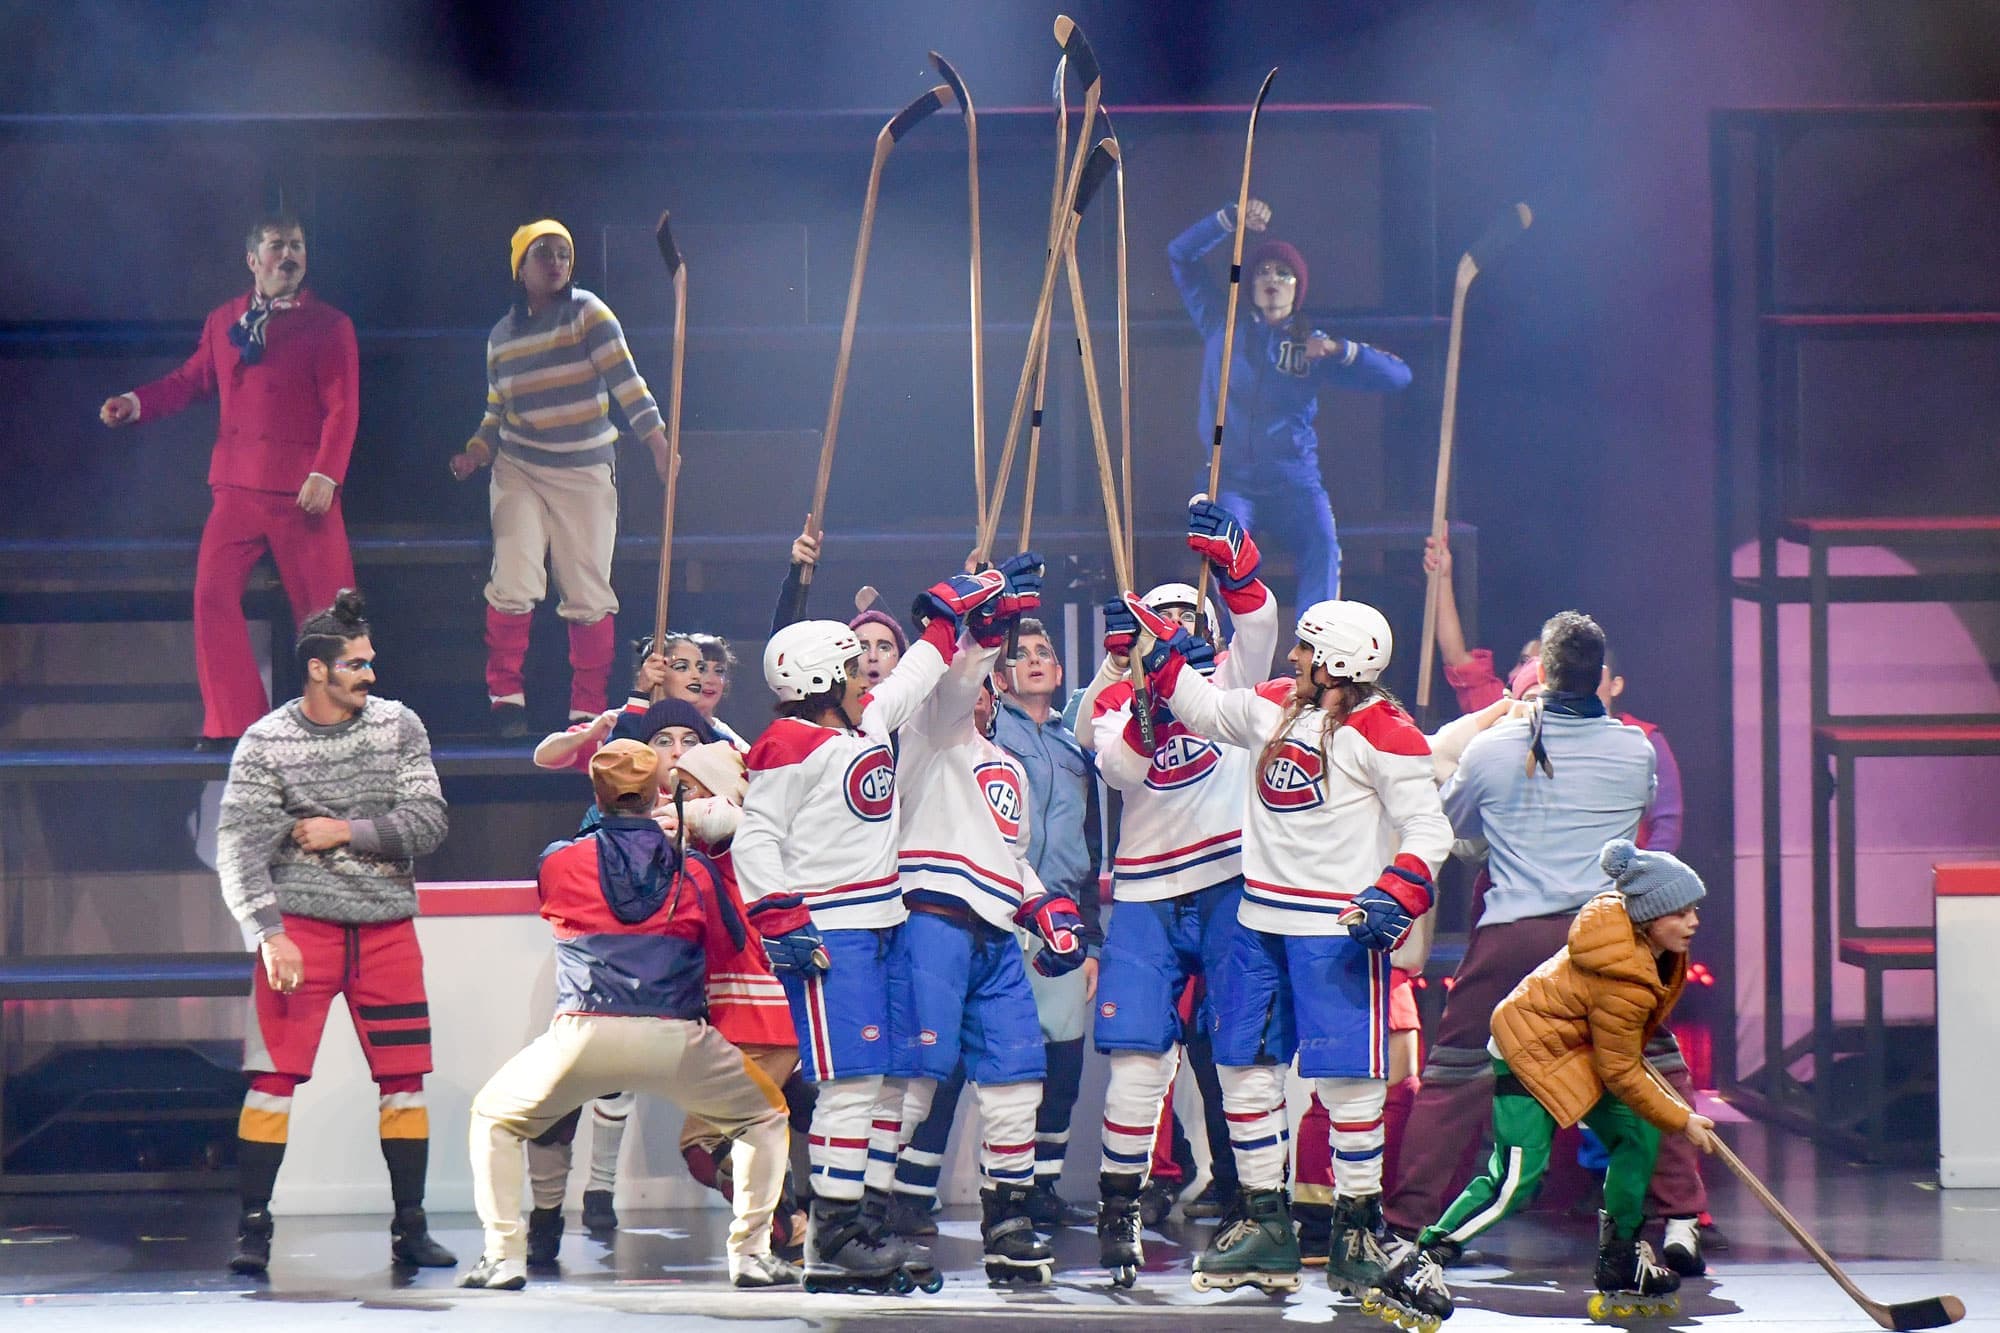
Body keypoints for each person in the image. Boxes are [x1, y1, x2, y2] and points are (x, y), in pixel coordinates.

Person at [1128, 595, 1452, 1299]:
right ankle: (1266, 1221)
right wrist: (1161, 656)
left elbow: (1429, 829)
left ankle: (1357, 1229)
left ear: (1336, 660)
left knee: (1348, 1082)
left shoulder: (1387, 732)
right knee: (1243, 1067)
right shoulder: (1276, 705)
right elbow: (1207, 711)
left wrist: (1394, 892)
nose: (1294, 658)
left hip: (1333, 928)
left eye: (1305, 649)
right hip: (1256, 920)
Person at [731, 568, 1005, 1293]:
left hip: (883, 925)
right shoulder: (787, 743)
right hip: (830, 932)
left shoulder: (864, 726)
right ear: (821, 675)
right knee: (850, 1084)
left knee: (889, 1085)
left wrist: (950, 622)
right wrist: (777, 913)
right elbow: (755, 838)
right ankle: (834, 1233)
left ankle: (863, 1220)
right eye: (852, 667)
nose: (864, 676)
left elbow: (913, 679)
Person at [460, 740, 794, 1291]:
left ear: (599, 794)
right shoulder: (696, 872)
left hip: (583, 1034)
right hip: (677, 1037)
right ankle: (752, 1255)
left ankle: (503, 1256)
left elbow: (558, 900)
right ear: (656, 794)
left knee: (494, 1119)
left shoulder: (559, 859)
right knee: (764, 1118)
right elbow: (730, 941)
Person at [1385, 613, 1659, 1253]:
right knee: (1645, 1070)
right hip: (1604, 937)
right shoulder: (1634, 748)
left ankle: (1404, 1227)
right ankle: (1672, 1224)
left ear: (1546, 675)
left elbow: (1451, 830)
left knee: (1454, 1076)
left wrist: (1494, 838)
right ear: (1601, 680)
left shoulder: (1495, 749)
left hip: (1516, 935)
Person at [1374, 840, 1719, 1327]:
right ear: (1649, 915)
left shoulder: (1652, 950)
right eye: (1680, 913)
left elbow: (1619, 1057)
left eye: (1694, 910)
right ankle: (1418, 1263)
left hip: (1576, 1053)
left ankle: (1621, 1255)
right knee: (1517, 1178)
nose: (1693, 922)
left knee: (1639, 1135)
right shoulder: (1623, 973)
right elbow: (1621, 1069)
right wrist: (1682, 1118)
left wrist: (1669, 1116)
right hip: (1526, 1054)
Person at [213, 589, 453, 1276]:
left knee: (404, 1079)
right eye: (355, 664)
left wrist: (347, 829)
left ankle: (411, 1225)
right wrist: (267, 931)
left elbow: (430, 822)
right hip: (302, 931)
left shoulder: (398, 726)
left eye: (369, 662)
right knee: (273, 1077)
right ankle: (253, 1227)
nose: (369, 675)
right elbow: (239, 845)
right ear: (318, 669)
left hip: (385, 931)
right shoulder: (267, 741)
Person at [1080, 497, 1279, 1283]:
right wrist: (1146, 696)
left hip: (1232, 879)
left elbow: (1259, 625)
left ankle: (1260, 1211)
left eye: (1184, 619)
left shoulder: (1231, 679)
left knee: (1243, 1058)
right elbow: (1121, 769)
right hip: (1147, 893)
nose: (1173, 630)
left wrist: (1237, 566)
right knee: (1138, 1063)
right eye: (1158, 623)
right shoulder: (1109, 702)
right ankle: (1120, 1207)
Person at [885, 553, 1085, 1284]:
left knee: (1016, 1079)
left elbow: (1006, 853)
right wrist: (985, 630)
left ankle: (1009, 1217)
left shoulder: (1008, 765)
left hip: (996, 932)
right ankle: (862, 1210)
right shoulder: (929, 732)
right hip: (931, 916)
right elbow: (952, 688)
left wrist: (1043, 906)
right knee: (916, 1077)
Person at [100, 211, 359, 750]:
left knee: (326, 612)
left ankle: (338, 722)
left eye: (297, 245)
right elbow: (191, 380)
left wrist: (325, 474)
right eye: (276, 245)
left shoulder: (330, 325)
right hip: (237, 487)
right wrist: (136, 402)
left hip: (302, 490)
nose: (288, 255)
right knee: (212, 597)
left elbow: (343, 407)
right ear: (252, 259)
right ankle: (235, 723)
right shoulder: (225, 321)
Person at [449, 219, 671, 737]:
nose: (555, 263)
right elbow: (495, 410)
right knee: (515, 576)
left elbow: (626, 383)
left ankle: (587, 710)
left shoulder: (588, 314)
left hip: (584, 469)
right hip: (520, 466)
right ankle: (505, 696)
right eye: (543, 253)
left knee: (588, 589)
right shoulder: (502, 337)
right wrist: (477, 450)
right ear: (520, 268)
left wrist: (658, 444)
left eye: (563, 254)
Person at [520, 696, 720, 1248]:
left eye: (691, 742)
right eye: (662, 743)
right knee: (587, 1084)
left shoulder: (727, 808)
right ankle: (587, 1199)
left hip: (700, 987)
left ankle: (781, 1222)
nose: (677, 754)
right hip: (647, 992)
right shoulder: (596, 841)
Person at [1168, 198, 1412, 610]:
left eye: (1284, 274)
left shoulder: (1310, 344)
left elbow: (1398, 376)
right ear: (1249, 286)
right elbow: (1180, 254)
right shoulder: (1221, 323)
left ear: (1297, 288)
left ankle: (1316, 649)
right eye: (1263, 271)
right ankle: (1233, 655)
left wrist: (1341, 350)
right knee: (1224, 548)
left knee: (1322, 543)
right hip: (1231, 479)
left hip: (1293, 481)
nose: (1273, 280)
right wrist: (1229, 219)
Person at [992, 617, 1104, 1228]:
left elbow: (1091, 840)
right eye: (1021, 653)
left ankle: (1043, 1186)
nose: (1034, 660)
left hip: (1061, 919)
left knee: (1063, 1062)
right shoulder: (984, 732)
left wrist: (1092, 938)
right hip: (998, 912)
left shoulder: (1075, 745)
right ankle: (923, 1193)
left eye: (1044, 653)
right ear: (1002, 672)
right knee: (993, 1057)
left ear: (1058, 673)